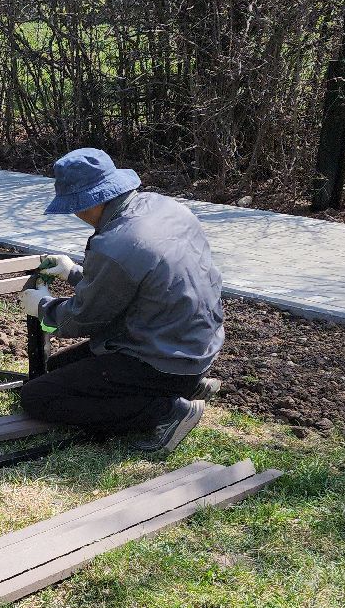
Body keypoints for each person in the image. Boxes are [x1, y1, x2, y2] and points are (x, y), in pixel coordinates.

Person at [17, 148, 224, 454]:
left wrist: (43, 307)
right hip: (195, 344)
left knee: (38, 397)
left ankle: (167, 411)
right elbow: (132, 281)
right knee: (60, 366)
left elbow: (85, 318)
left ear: (91, 201)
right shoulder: (163, 207)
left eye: (74, 206)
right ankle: (190, 385)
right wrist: (74, 272)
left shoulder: (115, 243)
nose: (75, 213)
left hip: (162, 357)